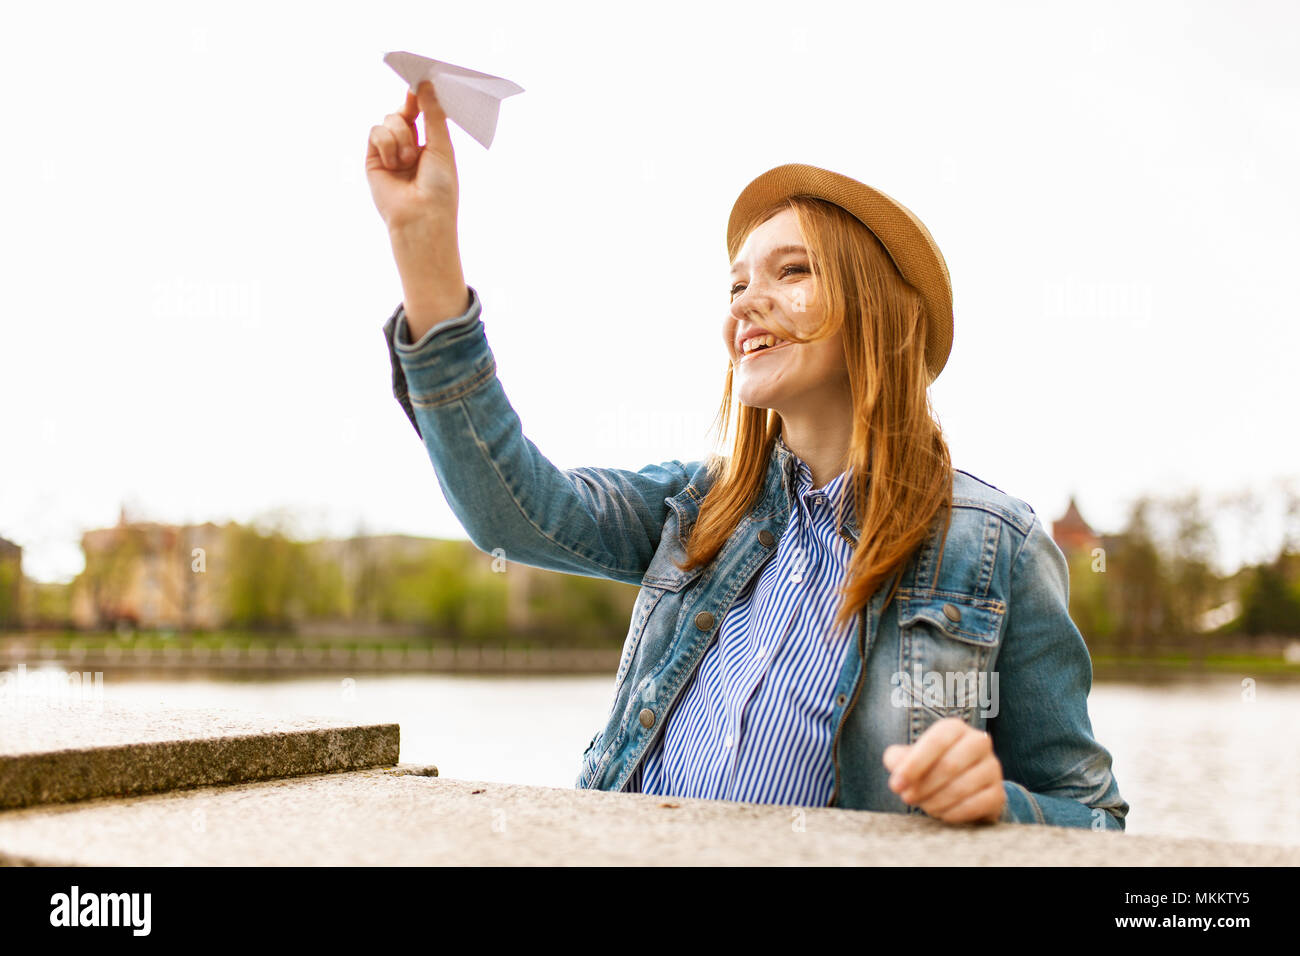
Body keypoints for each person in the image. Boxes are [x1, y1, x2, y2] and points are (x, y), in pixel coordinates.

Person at [366, 81, 1129, 829]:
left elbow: (1091, 814)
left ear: (876, 306)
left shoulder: (998, 548)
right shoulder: (699, 505)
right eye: (736, 283)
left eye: (790, 271)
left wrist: (998, 803)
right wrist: (423, 247)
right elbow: (517, 513)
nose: (742, 303)